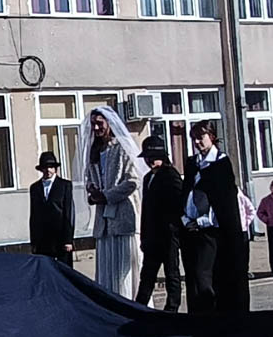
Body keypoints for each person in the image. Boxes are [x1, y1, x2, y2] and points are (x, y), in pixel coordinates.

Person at [179, 120, 248, 315]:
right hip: (191, 230)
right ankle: (199, 318)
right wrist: (185, 219)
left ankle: (214, 316)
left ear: (211, 136)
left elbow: (223, 203)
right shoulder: (193, 163)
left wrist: (202, 221)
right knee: (194, 277)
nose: (197, 142)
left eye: (200, 137)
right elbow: (187, 193)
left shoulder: (221, 163)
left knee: (207, 275)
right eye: (194, 138)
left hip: (213, 231)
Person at [77, 106, 146, 298]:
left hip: (123, 219)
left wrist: (107, 196)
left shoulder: (122, 147)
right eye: (93, 124)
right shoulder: (94, 151)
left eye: (99, 123)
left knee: (124, 270)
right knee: (107, 268)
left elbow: (133, 181)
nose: (96, 128)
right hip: (104, 222)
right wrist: (92, 190)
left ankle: (128, 302)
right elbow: (90, 177)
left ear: (109, 123)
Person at [133, 136, 183, 312]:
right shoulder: (148, 178)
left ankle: (172, 307)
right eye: (148, 158)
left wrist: (174, 228)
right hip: (152, 236)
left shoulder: (170, 175)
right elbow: (146, 210)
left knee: (171, 272)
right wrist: (144, 236)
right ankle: (140, 306)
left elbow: (179, 203)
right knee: (147, 274)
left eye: (154, 157)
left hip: (168, 234)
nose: (150, 161)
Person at [28, 151, 74, 264]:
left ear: (55, 169)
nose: (48, 170)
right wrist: (34, 242)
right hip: (43, 239)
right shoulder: (35, 188)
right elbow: (33, 215)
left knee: (63, 269)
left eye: (51, 167)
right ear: (41, 169)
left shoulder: (65, 185)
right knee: (45, 269)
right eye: (45, 167)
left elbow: (68, 213)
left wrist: (68, 240)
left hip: (60, 237)